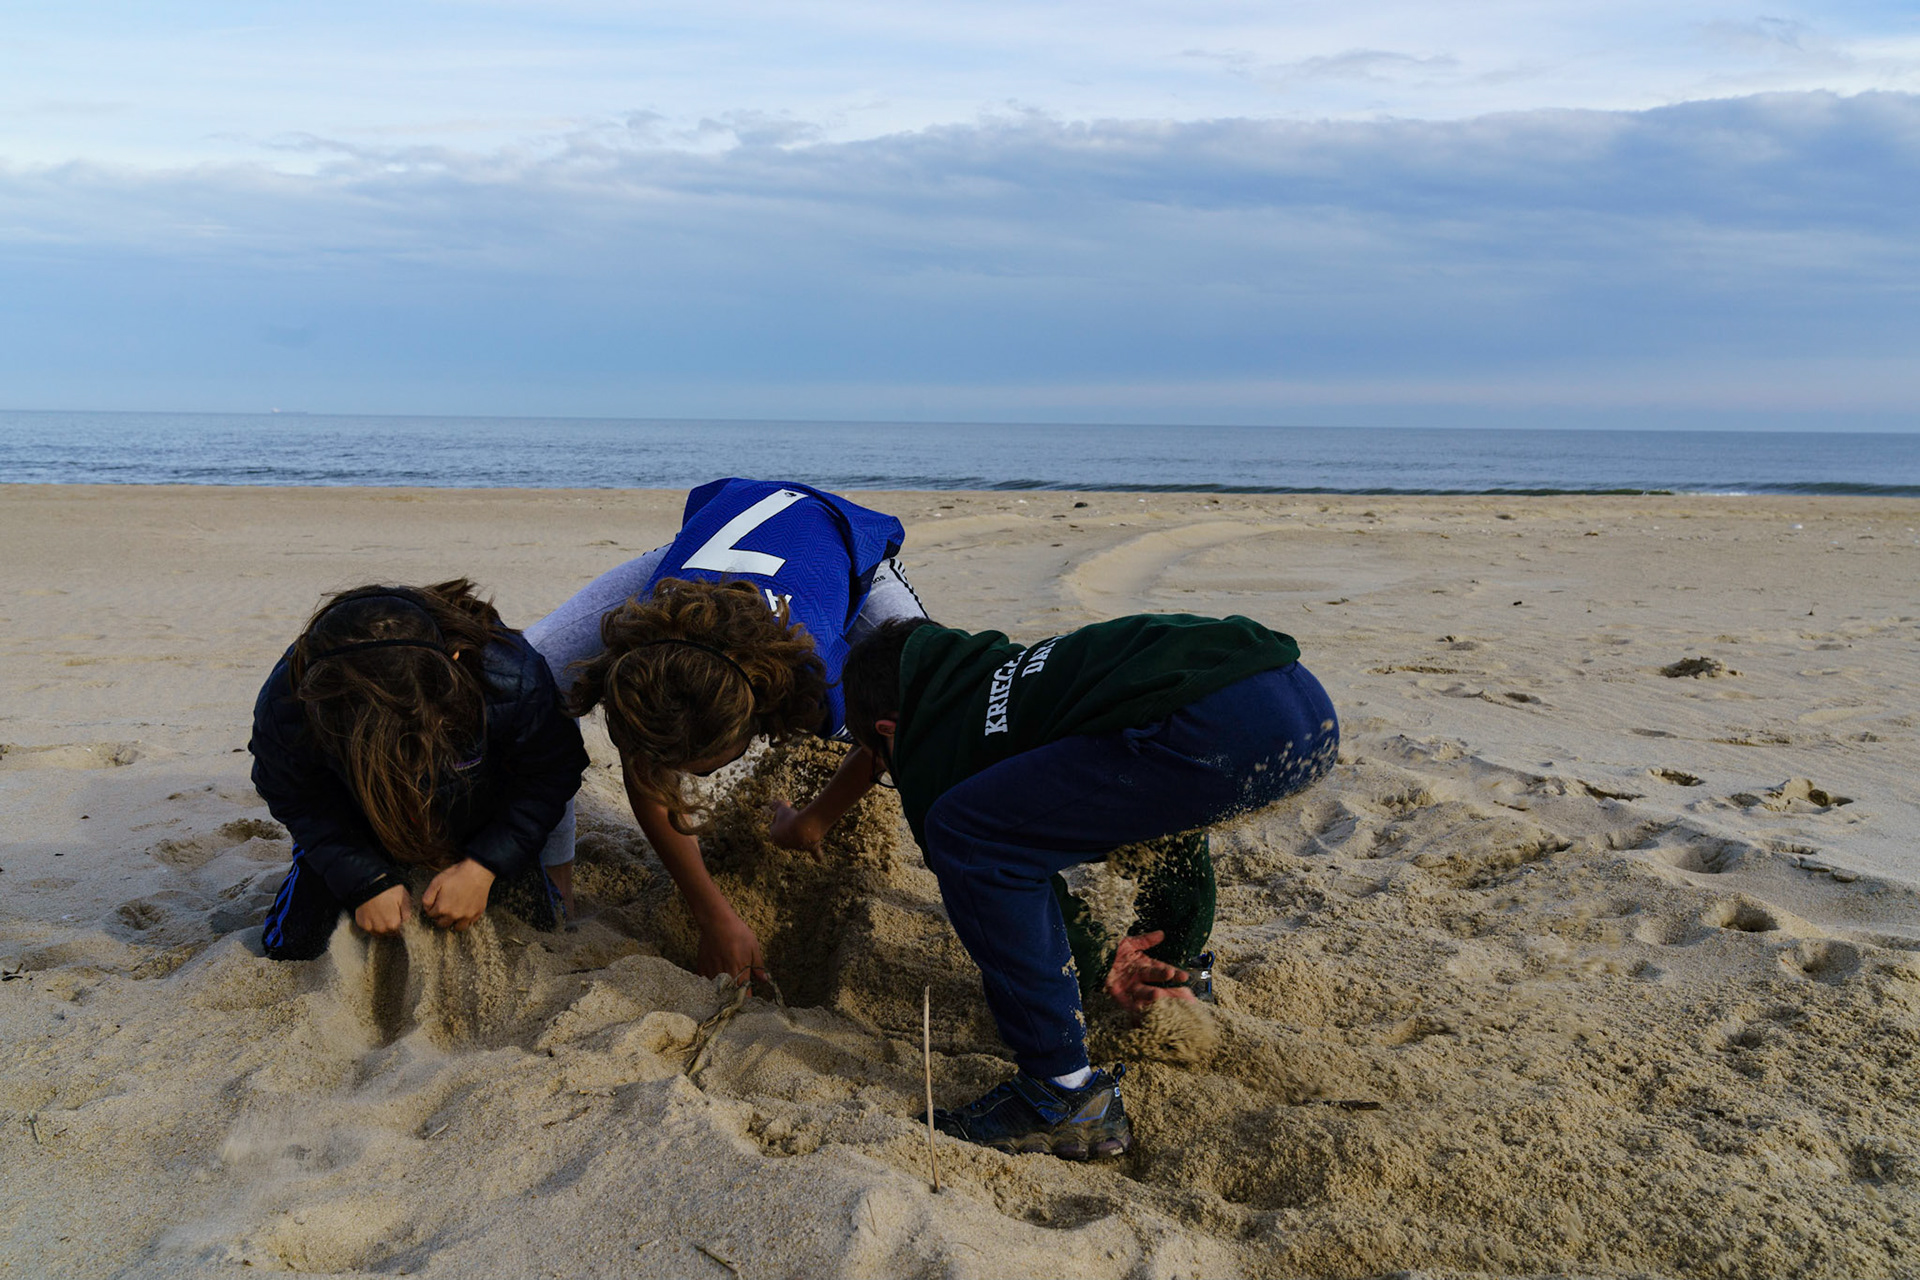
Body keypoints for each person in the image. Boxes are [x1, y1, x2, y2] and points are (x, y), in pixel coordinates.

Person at [804, 611, 1338, 1160]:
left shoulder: (933, 747)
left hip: (1215, 726)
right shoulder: (987, 672)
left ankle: (1060, 1095)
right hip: (1297, 702)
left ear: (890, 731)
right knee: (1152, 798)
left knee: (962, 834)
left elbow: (996, 873)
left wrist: (1096, 959)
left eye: (882, 763)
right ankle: (1178, 971)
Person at [525, 477, 926, 981]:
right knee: (531, 681)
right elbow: (645, 758)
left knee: (922, 709)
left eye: (702, 765)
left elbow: (886, 740)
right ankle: (554, 882)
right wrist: (712, 914)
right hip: (706, 553)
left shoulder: (816, 681)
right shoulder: (646, 647)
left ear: (756, 718)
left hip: (842, 547)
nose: (675, 774)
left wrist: (812, 822)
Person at [250, 580, 590, 961]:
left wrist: (484, 866)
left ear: (454, 662)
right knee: (295, 947)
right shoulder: (291, 697)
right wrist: (365, 880)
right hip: (357, 817)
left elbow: (550, 772)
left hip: (477, 810)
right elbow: (298, 798)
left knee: (538, 937)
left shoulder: (509, 675)